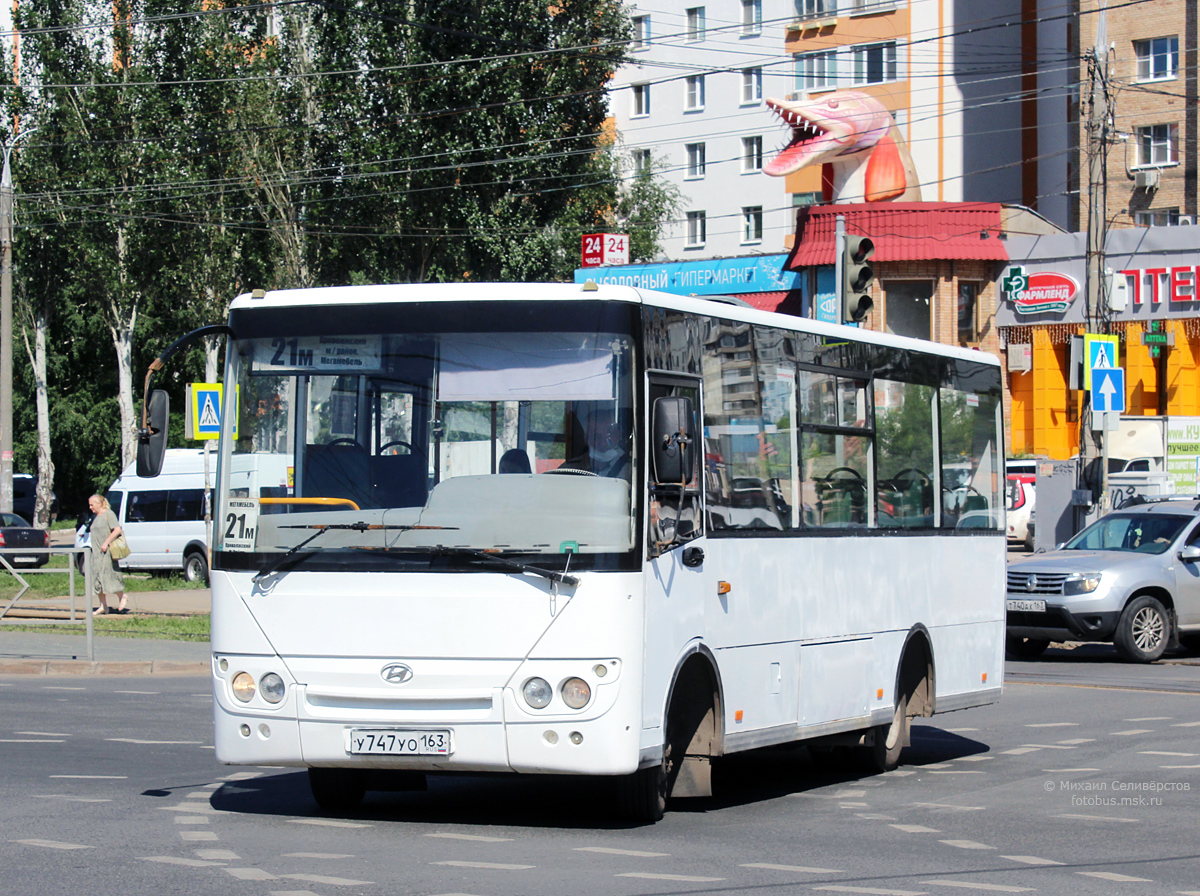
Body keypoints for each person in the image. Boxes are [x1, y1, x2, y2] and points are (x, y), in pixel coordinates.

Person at [88, 494, 128, 615]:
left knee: (108, 575)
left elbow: (117, 529)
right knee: (97, 579)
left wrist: (106, 543)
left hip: (105, 552)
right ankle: (103, 606)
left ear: (99, 503)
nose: (90, 507)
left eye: (92, 504)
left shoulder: (108, 514)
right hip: (96, 553)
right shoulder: (96, 517)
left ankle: (122, 596)